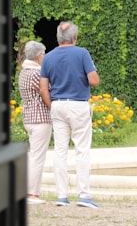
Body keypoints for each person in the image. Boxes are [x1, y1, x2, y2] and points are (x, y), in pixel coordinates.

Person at [39, 21, 100, 208]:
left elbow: (43, 88)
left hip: (57, 104)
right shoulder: (82, 53)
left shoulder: (48, 57)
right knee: (81, 150)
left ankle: (62, 196)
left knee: (60, 151)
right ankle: (84, 195)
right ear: (75, 37)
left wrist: (52, 105)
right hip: (78, 105)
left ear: (58, 37)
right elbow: (94, 80)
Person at [18, 40, 50, 205]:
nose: (45, 57)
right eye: (44, 54)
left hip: (29, 118)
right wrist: (53, 107)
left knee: (34, 156)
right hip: (40, 119)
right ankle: (31, 194)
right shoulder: (36, 74)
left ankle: (29, 191)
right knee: (38, 157)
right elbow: (47, 90)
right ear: (39, 57)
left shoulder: (24, 72)